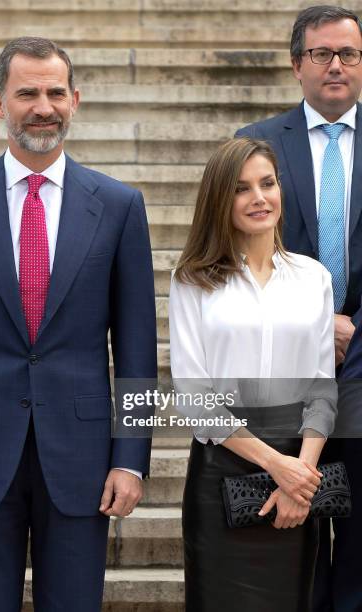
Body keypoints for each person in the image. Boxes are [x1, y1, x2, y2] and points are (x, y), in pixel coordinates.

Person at [0, 36, 157, 612]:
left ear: (76, 100)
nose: (43, 106)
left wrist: (130, 457)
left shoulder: (119, 206)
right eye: (26, 93)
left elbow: (138, 350)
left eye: (54, 92)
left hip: (84, 458)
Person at [169, 137, 337, 611]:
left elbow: (322, 391)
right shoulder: (193, 279)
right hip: (222, 469)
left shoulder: (314, 278)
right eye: (242, 189)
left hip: (299, 470)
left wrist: (299, 475)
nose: (259, 198)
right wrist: (277, 467)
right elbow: (195, 396)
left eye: (268, 183)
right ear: (221, 199)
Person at [235, 6, 362, 610]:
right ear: (296, 65)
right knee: (293, 531)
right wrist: (318, 322)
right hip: (283, 371)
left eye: (350, 54)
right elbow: (237, 258)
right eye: (322, 54)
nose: (337, 65)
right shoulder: (254, 147)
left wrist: (352, 324)